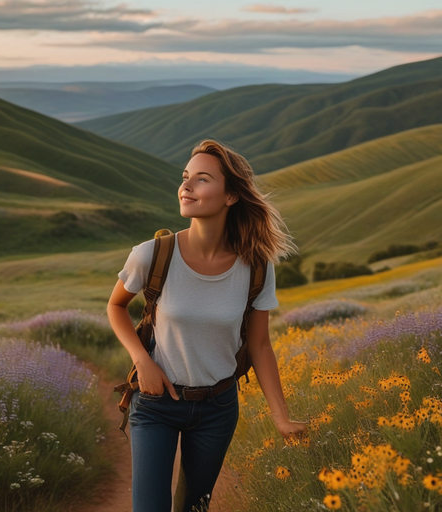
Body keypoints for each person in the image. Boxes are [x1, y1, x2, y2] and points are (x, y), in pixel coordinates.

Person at [107, 139, 308, 512]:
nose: (186, 186)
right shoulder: (152, 255)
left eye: (201, 179)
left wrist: (281, 417)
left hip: (217, 409)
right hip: (155, 405)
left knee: (194, 508)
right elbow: (116, 306)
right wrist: (142, 360)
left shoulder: (257, 266)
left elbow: (261, 345)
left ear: (231, 195)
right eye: (185, 177)